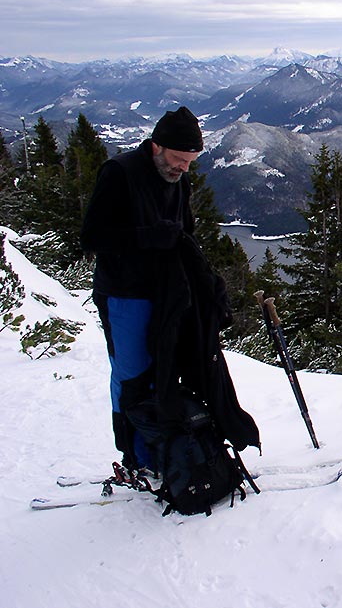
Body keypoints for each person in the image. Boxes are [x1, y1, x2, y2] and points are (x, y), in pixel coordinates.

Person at [81, 106, 259, 471]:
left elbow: (185, 237)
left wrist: (209, 287)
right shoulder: (120, 173)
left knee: (168, 372)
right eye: (179, 159)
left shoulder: (180, 180)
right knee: (132, 377)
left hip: (168, 294)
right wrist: (149, 237)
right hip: (124, 295)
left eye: (191, 161)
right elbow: (92, 236)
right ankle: (135, 455)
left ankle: (169, 450)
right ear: (156, 146)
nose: (184, 168)